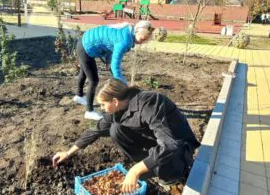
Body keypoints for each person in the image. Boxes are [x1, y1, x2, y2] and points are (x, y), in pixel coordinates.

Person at [53, 79, 200, 194]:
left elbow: (169, 145)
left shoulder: (149, 103)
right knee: (116, 129)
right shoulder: (118, 110)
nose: (102, 109)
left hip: (177, 146)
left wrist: (135, 170)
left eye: (103, 105)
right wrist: (67, 152)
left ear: (115, 101)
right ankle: (150, 167)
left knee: (167, 163)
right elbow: (95, 131)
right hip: (156, 142)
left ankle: (175, 177)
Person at [72, 21, 155, 120]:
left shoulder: (126, 32)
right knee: (93, 80)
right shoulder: (124, 41)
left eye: (145, 40)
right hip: (85, 47)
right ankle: (89, 111)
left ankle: (79, 96)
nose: (142, 42)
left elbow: (109, 44)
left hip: (84, 41)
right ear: (136, 32)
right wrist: (122, 84)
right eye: (142, 38)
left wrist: (108, 61)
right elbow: (115, 66)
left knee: (84, 72)